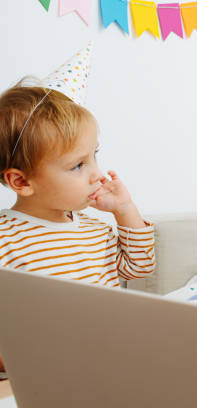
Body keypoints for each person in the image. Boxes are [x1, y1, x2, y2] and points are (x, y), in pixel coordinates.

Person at [0, 82, 156, 373]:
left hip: (109, 363)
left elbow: (140, 266)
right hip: (43, 374)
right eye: (77, 166)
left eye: (94, 155)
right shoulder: (6, 239)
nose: (97, 173)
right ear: (21, 182)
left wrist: (124, 210)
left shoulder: (96, 230)